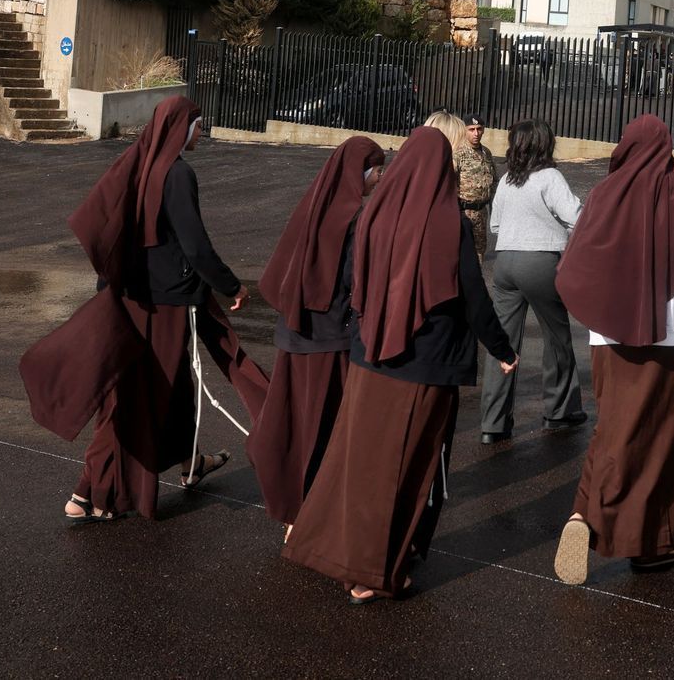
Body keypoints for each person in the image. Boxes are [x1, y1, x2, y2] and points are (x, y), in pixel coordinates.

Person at [285, 127, 517, 604]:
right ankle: (371, 572)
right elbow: (473, 295)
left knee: (359, 462)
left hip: (369, 355)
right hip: (424, 364)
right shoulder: (446, 219)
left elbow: (352, 279)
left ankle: (337, 552)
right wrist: (502, 348)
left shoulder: (374, 212)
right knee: (405, 465)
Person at [19, 96, 269, 523]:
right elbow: (196, 244)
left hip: (132, 298)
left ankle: (190, 462)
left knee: (164, 388)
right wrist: (230, 286)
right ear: (178, 129)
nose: (200, 132)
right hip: (166, 305)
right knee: (139, 398)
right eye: (196, 124)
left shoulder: (139, 166)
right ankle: (89, 492)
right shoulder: (178, 174)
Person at [554, 115, 674, 586]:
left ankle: (583, 512)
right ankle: (658, 542)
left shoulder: (602, 196)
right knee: (666, 441)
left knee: (615, 429)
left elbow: (575, 265)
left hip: (612, 339)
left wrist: (600, 314)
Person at [248, 136, 384, 533]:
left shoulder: (314, 206)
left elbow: (282, 270)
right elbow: (355, 281)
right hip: (332, 336)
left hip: (295, 332)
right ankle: (310, 512)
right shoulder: (357, 216)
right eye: (376, 170)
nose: (379, 178)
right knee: (327, 425)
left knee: (296, 419)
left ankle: (294, 506)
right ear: (363, 172)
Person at [480, 119, 586, 444]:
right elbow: (577, 217)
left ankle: (493, 424)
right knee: (556, 337)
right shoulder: (550, 177)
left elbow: (495, 226)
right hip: (540, 261)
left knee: (503, 343)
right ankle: (559, 411)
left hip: (506, 261)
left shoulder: (508, 181)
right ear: (545, 144)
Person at [427, 111, 496, 256]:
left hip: (481, 212)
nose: (476, 133)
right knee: (460, 253)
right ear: (465, 131)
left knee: (479, 253)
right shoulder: (458, 153)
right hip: (463, 211)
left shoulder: (486, 153)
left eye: (479, 129)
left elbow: (493, 181)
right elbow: (449, 183)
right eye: (471, 130)